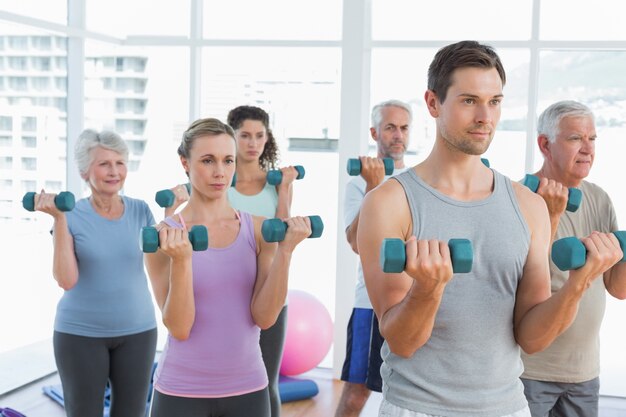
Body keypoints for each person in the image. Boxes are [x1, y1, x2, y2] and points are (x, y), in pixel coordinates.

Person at [357, 40, 623, 417]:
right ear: (433, 103)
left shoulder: (528, 206)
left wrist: (580, 282)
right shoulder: (389, 203)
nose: (485, 116)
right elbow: (401, 342)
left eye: (494, 101)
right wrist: (428, 289)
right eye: (469, 101)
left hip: (508, 407)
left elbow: (531, 339)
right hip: (418, 408)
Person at [145, 118, 310, 417]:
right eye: (208, 160)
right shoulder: (163, 239)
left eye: (228, 160)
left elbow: (265, 317)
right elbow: (180, 328)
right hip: (180, 390)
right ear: (185, 162)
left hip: (248, 389)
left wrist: (285, 252)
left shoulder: (259, 230)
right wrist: (182, 261)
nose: (220, 171)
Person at [34, 129, 157, 417]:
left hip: (138, 331)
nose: (114, 171)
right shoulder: (70, 214)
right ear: (84, 171)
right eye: (104, 164)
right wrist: (59, 219)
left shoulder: (142, 211)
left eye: (120, 162)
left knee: (132, 413)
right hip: (80, 334)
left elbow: (165, 265)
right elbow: (66, 279)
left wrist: (174, 211)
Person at [520, 100, 626, 417]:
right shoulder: (520, 197)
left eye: (592, 139)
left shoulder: (599, 198)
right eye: (575, 138)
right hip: (529, 371)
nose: (587, 149)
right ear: (545, 144)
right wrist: (550, 216)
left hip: (584, 372)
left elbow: (618, 288)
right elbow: (514, 277)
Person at [335, 99, 412, 417]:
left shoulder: (420, 181)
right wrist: (373, 187)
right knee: (356, 394)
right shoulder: (357, 184)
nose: (398, 135)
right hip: (371, 303)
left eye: (404, 127)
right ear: (374, 132)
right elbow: (356, 242)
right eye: (390, 127)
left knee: (414, 393)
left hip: (415, 300)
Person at [226, 105, 300, 417]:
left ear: (267, 139)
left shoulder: (276, 184)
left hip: (269, 290)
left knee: (266, 381)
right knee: (227, 381)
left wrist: (283, 189)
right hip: (228, 293)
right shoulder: (219, 185)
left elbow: (282, 232)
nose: (252, 143)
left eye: (259, 135)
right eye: (244, 135)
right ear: (231, 137)